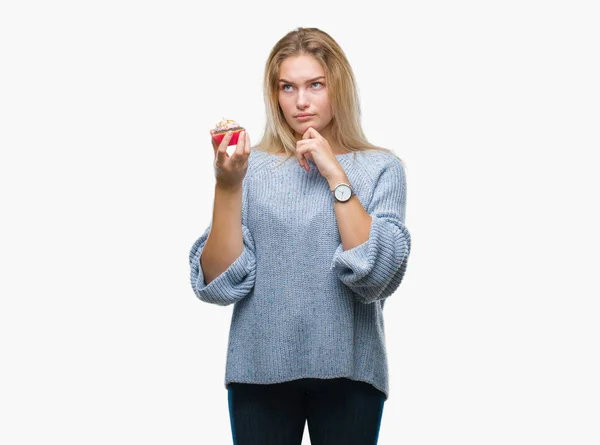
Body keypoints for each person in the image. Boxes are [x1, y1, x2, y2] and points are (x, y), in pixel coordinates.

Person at [189, 27, 411, 445]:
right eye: (287, 87)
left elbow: (376, 273)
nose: (301, 101)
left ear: (338, 87)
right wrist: (227, 185)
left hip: (351, 370)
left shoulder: (382, 168)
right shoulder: (251, 169)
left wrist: (335, 175)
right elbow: (220, 284)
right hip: (259, 371)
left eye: (315, 85)